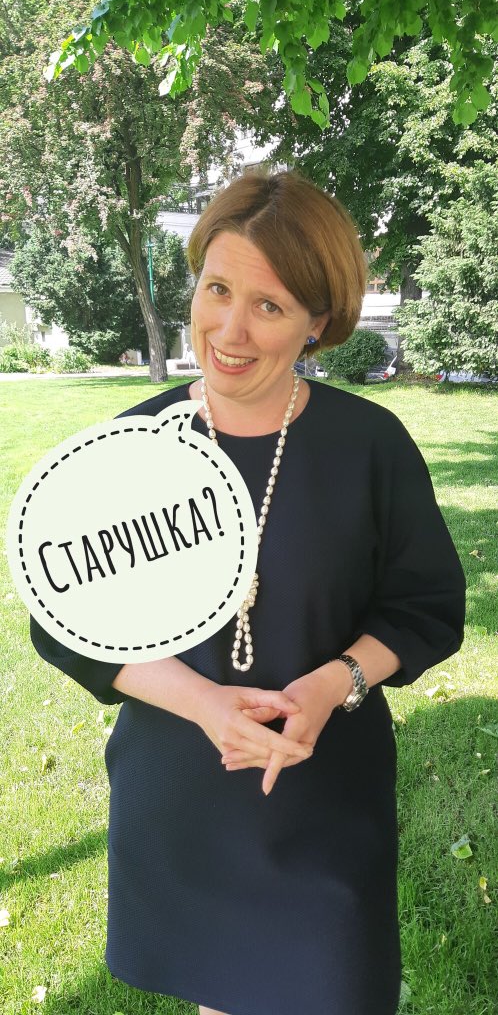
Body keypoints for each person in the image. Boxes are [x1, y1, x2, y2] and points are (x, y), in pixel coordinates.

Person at [30, 169, 466, 1015]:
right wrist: (202, 702)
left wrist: (331, 682)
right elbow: (64, 627)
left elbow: (424, 607)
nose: (230, 330)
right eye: (218, 289)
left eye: (269, 305)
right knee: (222, 998)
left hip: (322, 802)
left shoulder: (369, 446)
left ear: (319, 321)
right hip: (184, 804)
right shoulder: (134, 444)